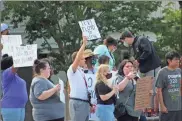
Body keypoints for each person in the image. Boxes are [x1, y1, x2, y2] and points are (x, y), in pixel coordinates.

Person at [120, 30, 161, 112]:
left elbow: (147, 51)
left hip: (152, 67)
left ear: (127, 38)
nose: (124, 43)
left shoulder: (141, 39)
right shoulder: (133, 45)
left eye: (124, 41)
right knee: (143, 89)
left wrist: (138, 60)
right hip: (143, 70)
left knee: (152, 89)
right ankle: (144, 109)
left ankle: (152, 110)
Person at [67, 36, 94, 121]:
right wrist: (84, 45)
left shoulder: (81, 71)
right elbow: (77, 58)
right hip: (78, 102)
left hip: (84, 102)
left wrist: (89, 104)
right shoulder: (72, 70)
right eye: (82, 59)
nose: (85, 60)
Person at [155, 51, 182, 121]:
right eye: (176, 59)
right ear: (169, 60)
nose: (178, 61)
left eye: (178, 59)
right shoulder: (162, 72)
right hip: (167, 108)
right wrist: (162, 106)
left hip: (179, 108)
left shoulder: (179, 71)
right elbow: (158, 90)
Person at [1, 54, 28, 121]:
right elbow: (14, 67)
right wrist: (20, 56)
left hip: (20, 107)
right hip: (11, 107)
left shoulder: (15, 76)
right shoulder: (6, 73)